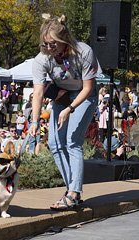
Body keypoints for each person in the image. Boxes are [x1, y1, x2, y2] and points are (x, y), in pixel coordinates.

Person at [29, 13, 101, 210]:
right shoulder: (42, 59)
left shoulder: (84, 52)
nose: (49, 49)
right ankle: (72, 190)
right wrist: (34, 121)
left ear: (64, 40)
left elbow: (87, 88)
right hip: (62, 95)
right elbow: (37, 93)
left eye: (53, 44)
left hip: (85, 95)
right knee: (54, 143)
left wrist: (70, 109)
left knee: (72, 141)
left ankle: (74, 192)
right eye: (45, 44)